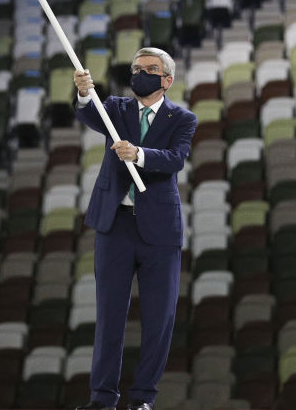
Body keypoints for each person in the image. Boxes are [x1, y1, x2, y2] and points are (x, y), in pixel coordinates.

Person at [72, 48, 196, 410]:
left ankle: (143, 399)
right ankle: (102, 399)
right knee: (109, 315)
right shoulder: (117, 108)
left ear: (166, 80)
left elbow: (176, 159)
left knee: (159, 320)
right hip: (115, 226)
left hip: (160, 232)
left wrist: (138, 154)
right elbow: (90, 112)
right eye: (136, 68)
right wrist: (83, 92)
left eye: (150, 69)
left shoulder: (182, 118)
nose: (140, 73)